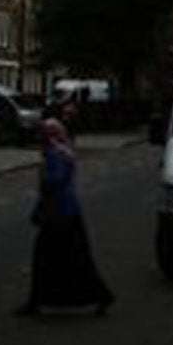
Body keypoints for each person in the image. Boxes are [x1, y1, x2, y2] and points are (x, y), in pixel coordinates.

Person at [16, 118, 114, 316]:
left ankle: (38, 301)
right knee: (73, 258)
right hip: (67, 212)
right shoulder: (63, 152)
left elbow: (55, 181)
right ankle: (97, 295)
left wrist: (44, 174)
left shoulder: (55, 154)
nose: (38, 138)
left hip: (59, 215)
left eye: (41, 134)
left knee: (47, 258)